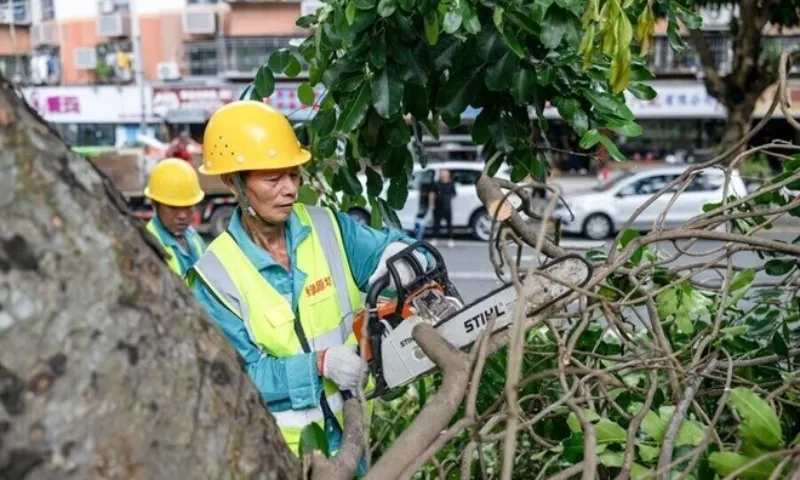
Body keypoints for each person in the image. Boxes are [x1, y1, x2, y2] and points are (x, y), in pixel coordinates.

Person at [185, 101, 430, 468]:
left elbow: (388, 251)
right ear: (232, 182)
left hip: (353, 434)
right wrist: (319, 364)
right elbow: (236, 374)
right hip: (277, 455)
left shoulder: (327, 225)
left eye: (294, 175)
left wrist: (409, 265)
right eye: (273, 179)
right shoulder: (215, 276)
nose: (289, 190)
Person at [143, 157, 207, 278]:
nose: (182, 216)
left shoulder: (193, 237)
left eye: (188, 206)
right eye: (173, 208)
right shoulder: (149, 244)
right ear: (154, 204)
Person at [431, 169, 456, 248]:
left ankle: (450, 239)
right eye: (442, 173)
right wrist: (432, 204)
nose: (443, 175)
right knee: (436, 223)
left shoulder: (451, 183)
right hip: (438, 206)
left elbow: (454, 193)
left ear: (448, 174)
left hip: (447, 206)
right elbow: (432, 193)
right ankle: (434, 239)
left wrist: (448, 197)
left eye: (445, 173)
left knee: (449, 224)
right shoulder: (436, 183)